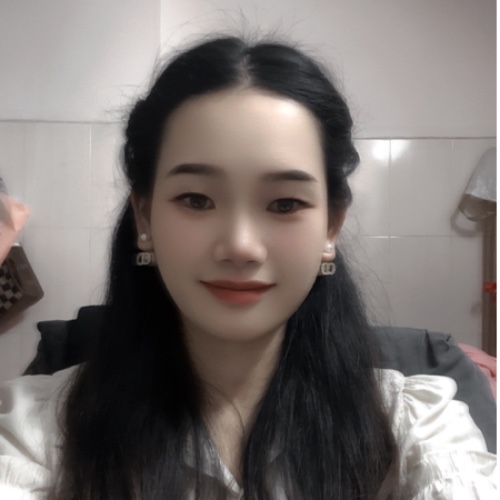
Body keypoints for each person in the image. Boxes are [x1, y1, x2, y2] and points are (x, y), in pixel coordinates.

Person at [0, 35, 496, 499]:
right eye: (196, 199)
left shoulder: (415, 426)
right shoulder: (38, 432)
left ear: (331, 227)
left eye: (284, 203)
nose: (240, 246)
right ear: (145, 217)